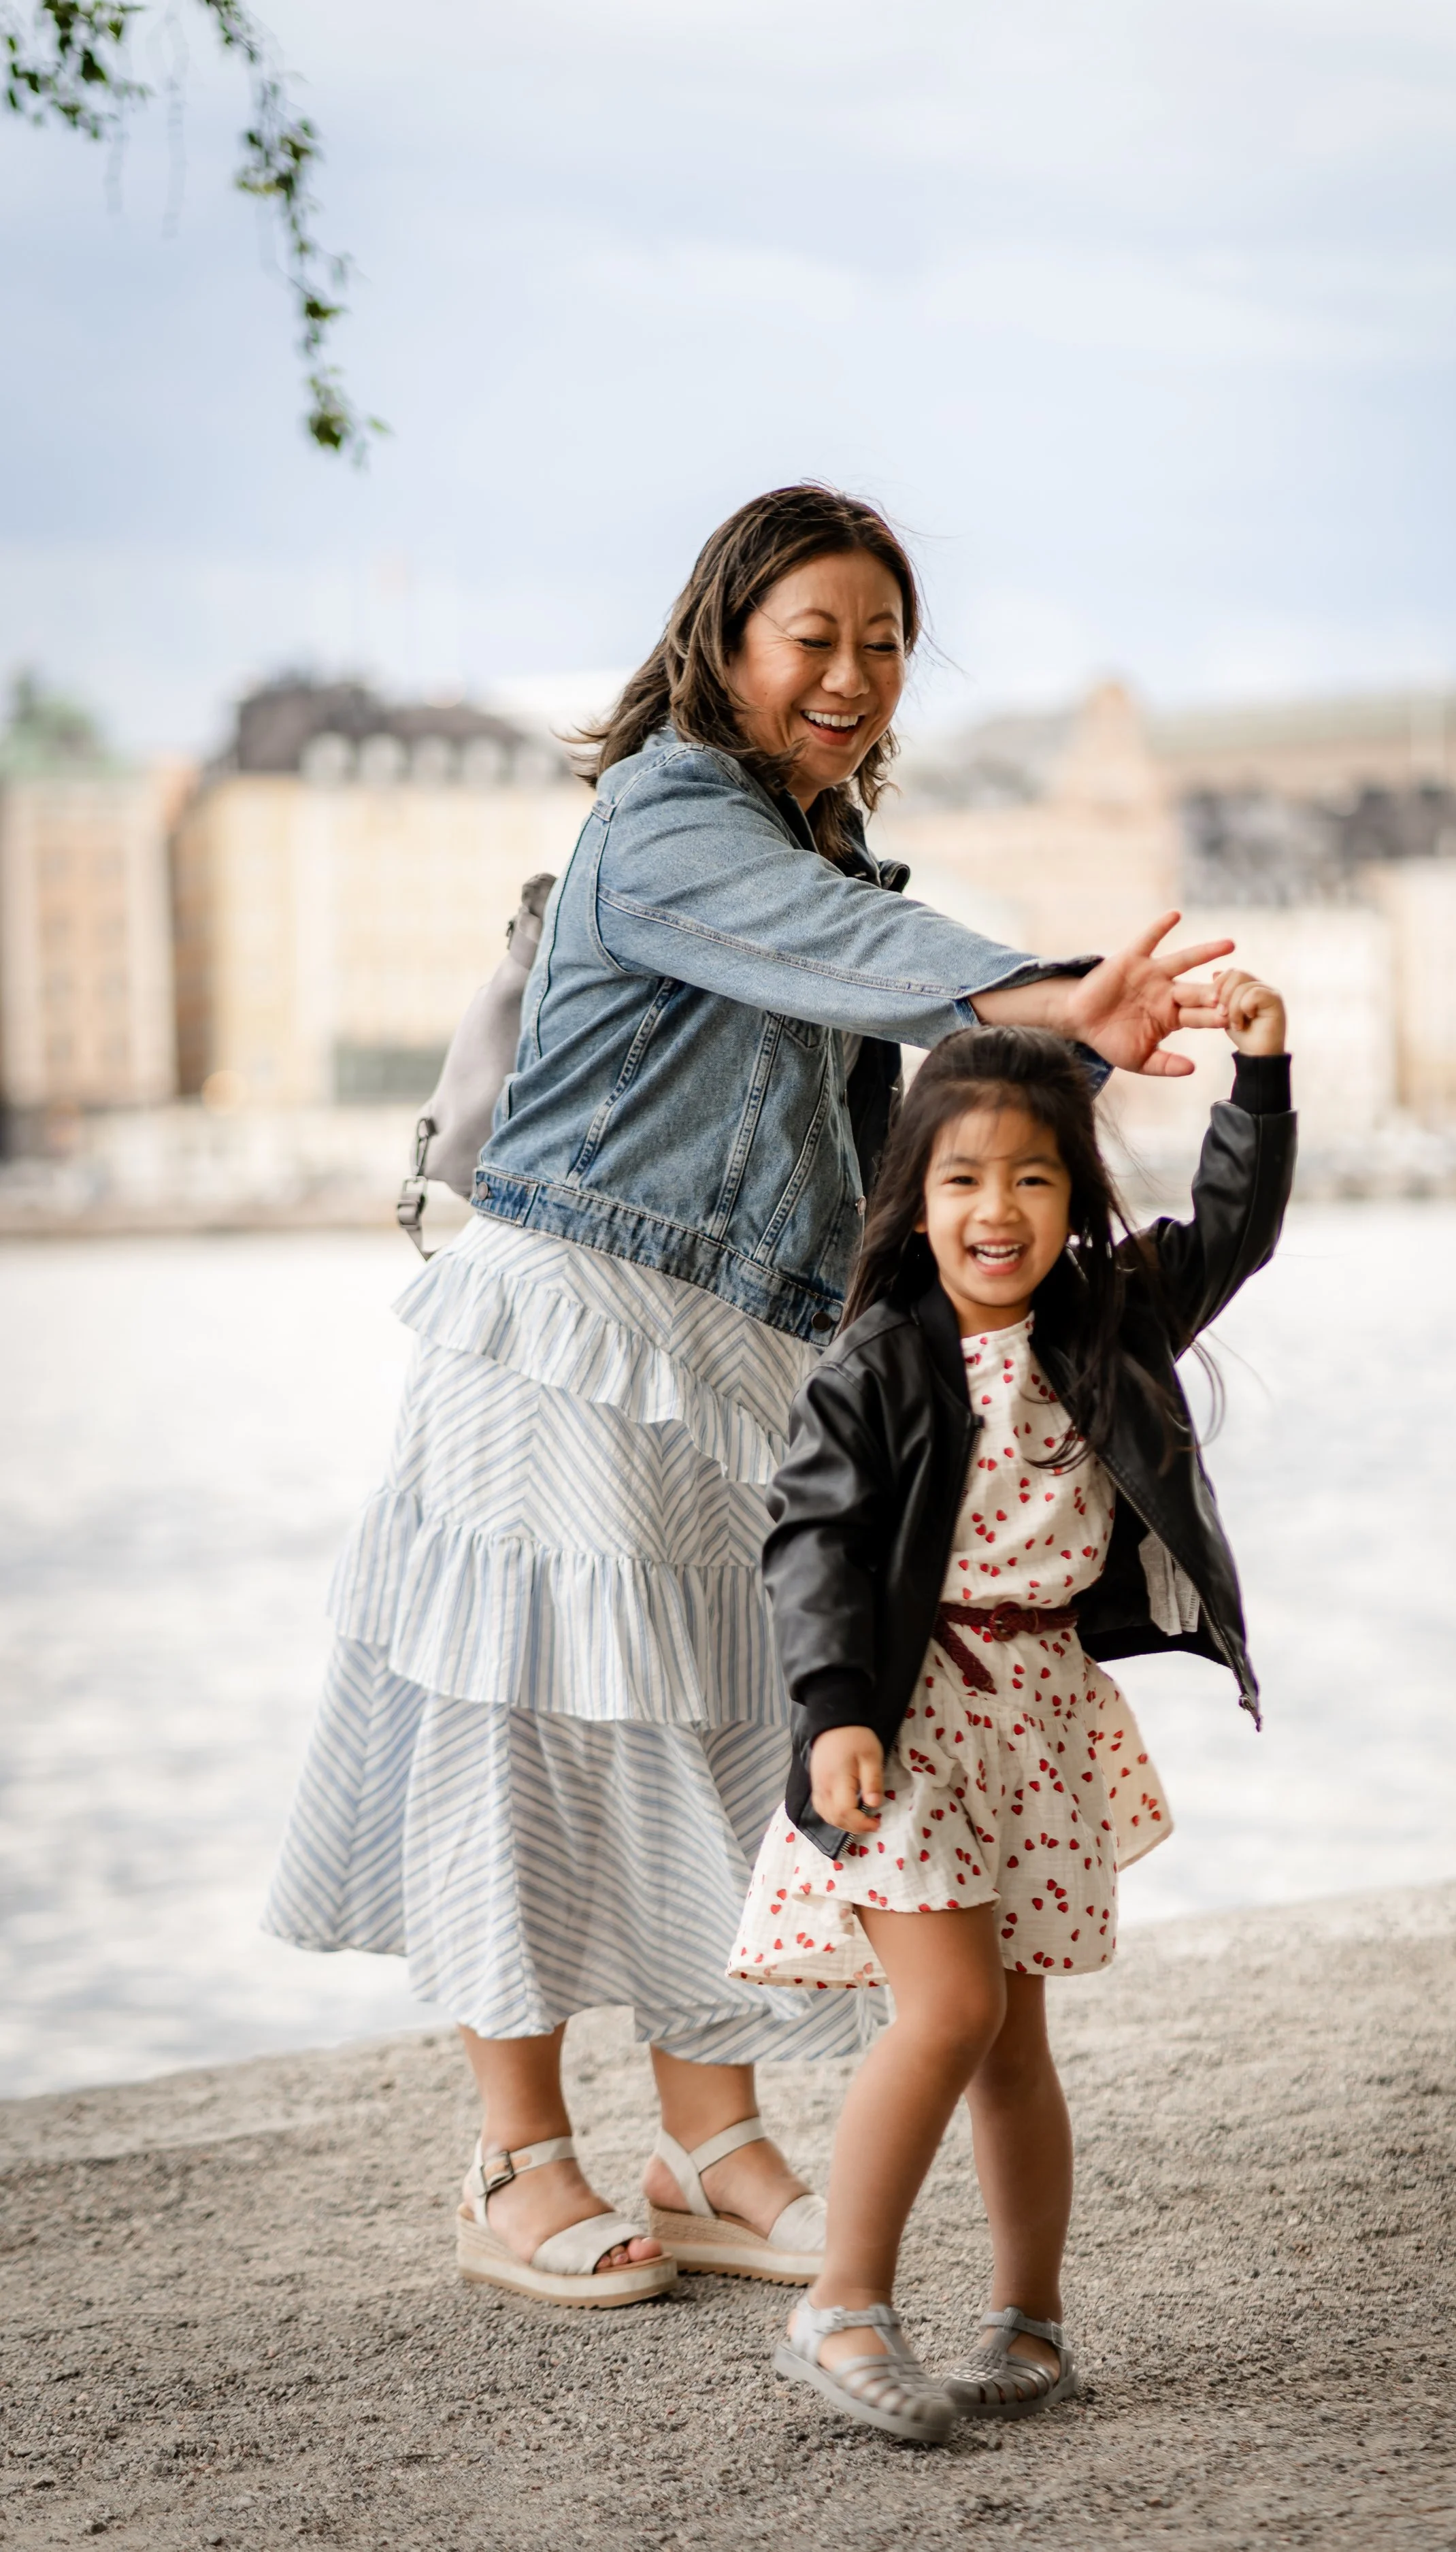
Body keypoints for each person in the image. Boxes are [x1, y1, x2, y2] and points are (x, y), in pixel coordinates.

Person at [264, 482, 1238, 2309]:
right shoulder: (661, 818)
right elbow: (842, 960)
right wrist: (1036, 994)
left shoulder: (822, 850)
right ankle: (512, 2153)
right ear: (722, 641)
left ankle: (704, 2140)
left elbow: (856, 1100)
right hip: (570, 1321)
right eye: (817, 636)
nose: (855, 675)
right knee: (533, 1727)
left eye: (884, 643)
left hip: (740, 1350)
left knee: (722, 1725)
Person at [730, 992, 1293, 2438]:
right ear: (915, 1203)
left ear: (1073, 1198)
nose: (998, 1208)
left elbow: (1230, 1227)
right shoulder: (877, 1364)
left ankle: (1026, 2324)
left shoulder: (1105, 1320)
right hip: (908, 1720)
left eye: (1032, 1177)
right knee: (951, 2009)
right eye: (963, 1178)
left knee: (1013, 2044)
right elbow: (812, 1546)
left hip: (1039, 1717)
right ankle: (838, 2306)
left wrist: (1261, 1078)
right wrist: (834, 1712)